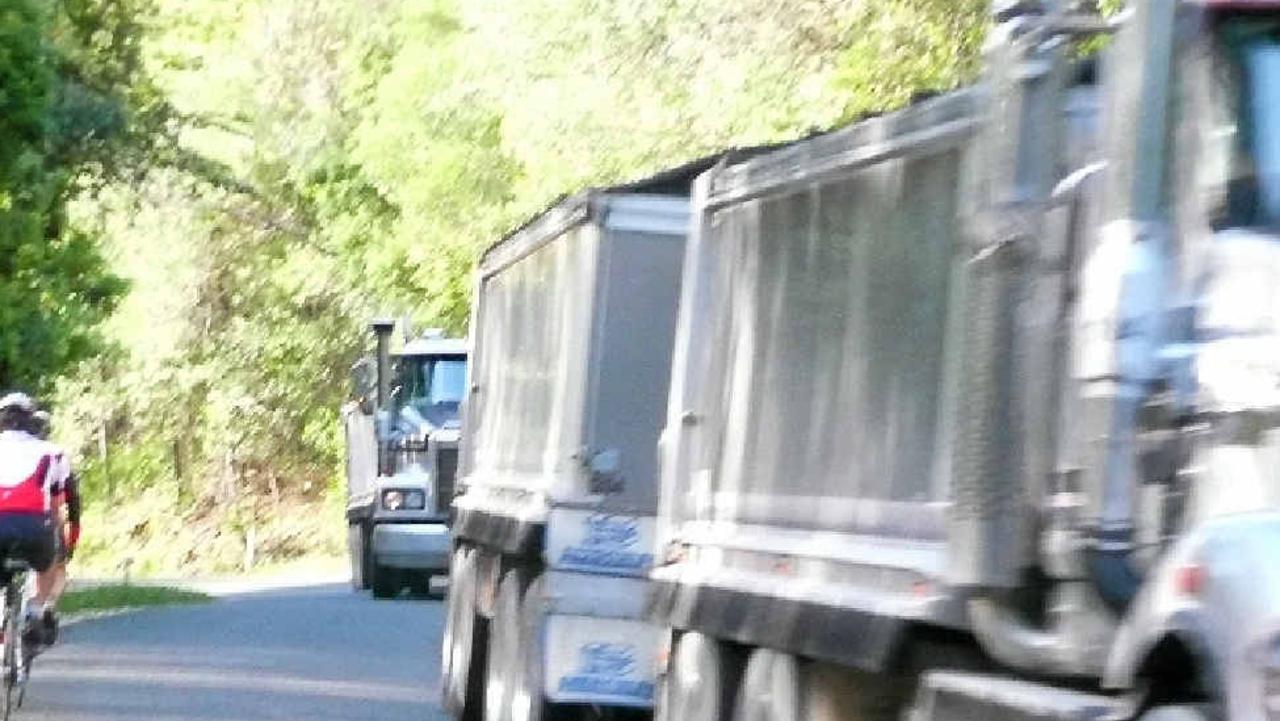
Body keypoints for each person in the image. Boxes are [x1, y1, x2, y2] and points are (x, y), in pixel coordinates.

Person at [0, 393, 62, 646]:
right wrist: (58, 537)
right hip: (35, 527)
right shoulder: (51, 451)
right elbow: (56, 503)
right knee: (49, 562)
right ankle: (36, 610)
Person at [29, 410, 79, 643]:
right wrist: (73, 535)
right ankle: (46, 605)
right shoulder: (56, 455)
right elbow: (69, 498)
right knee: (56, 567)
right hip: (46, 520)